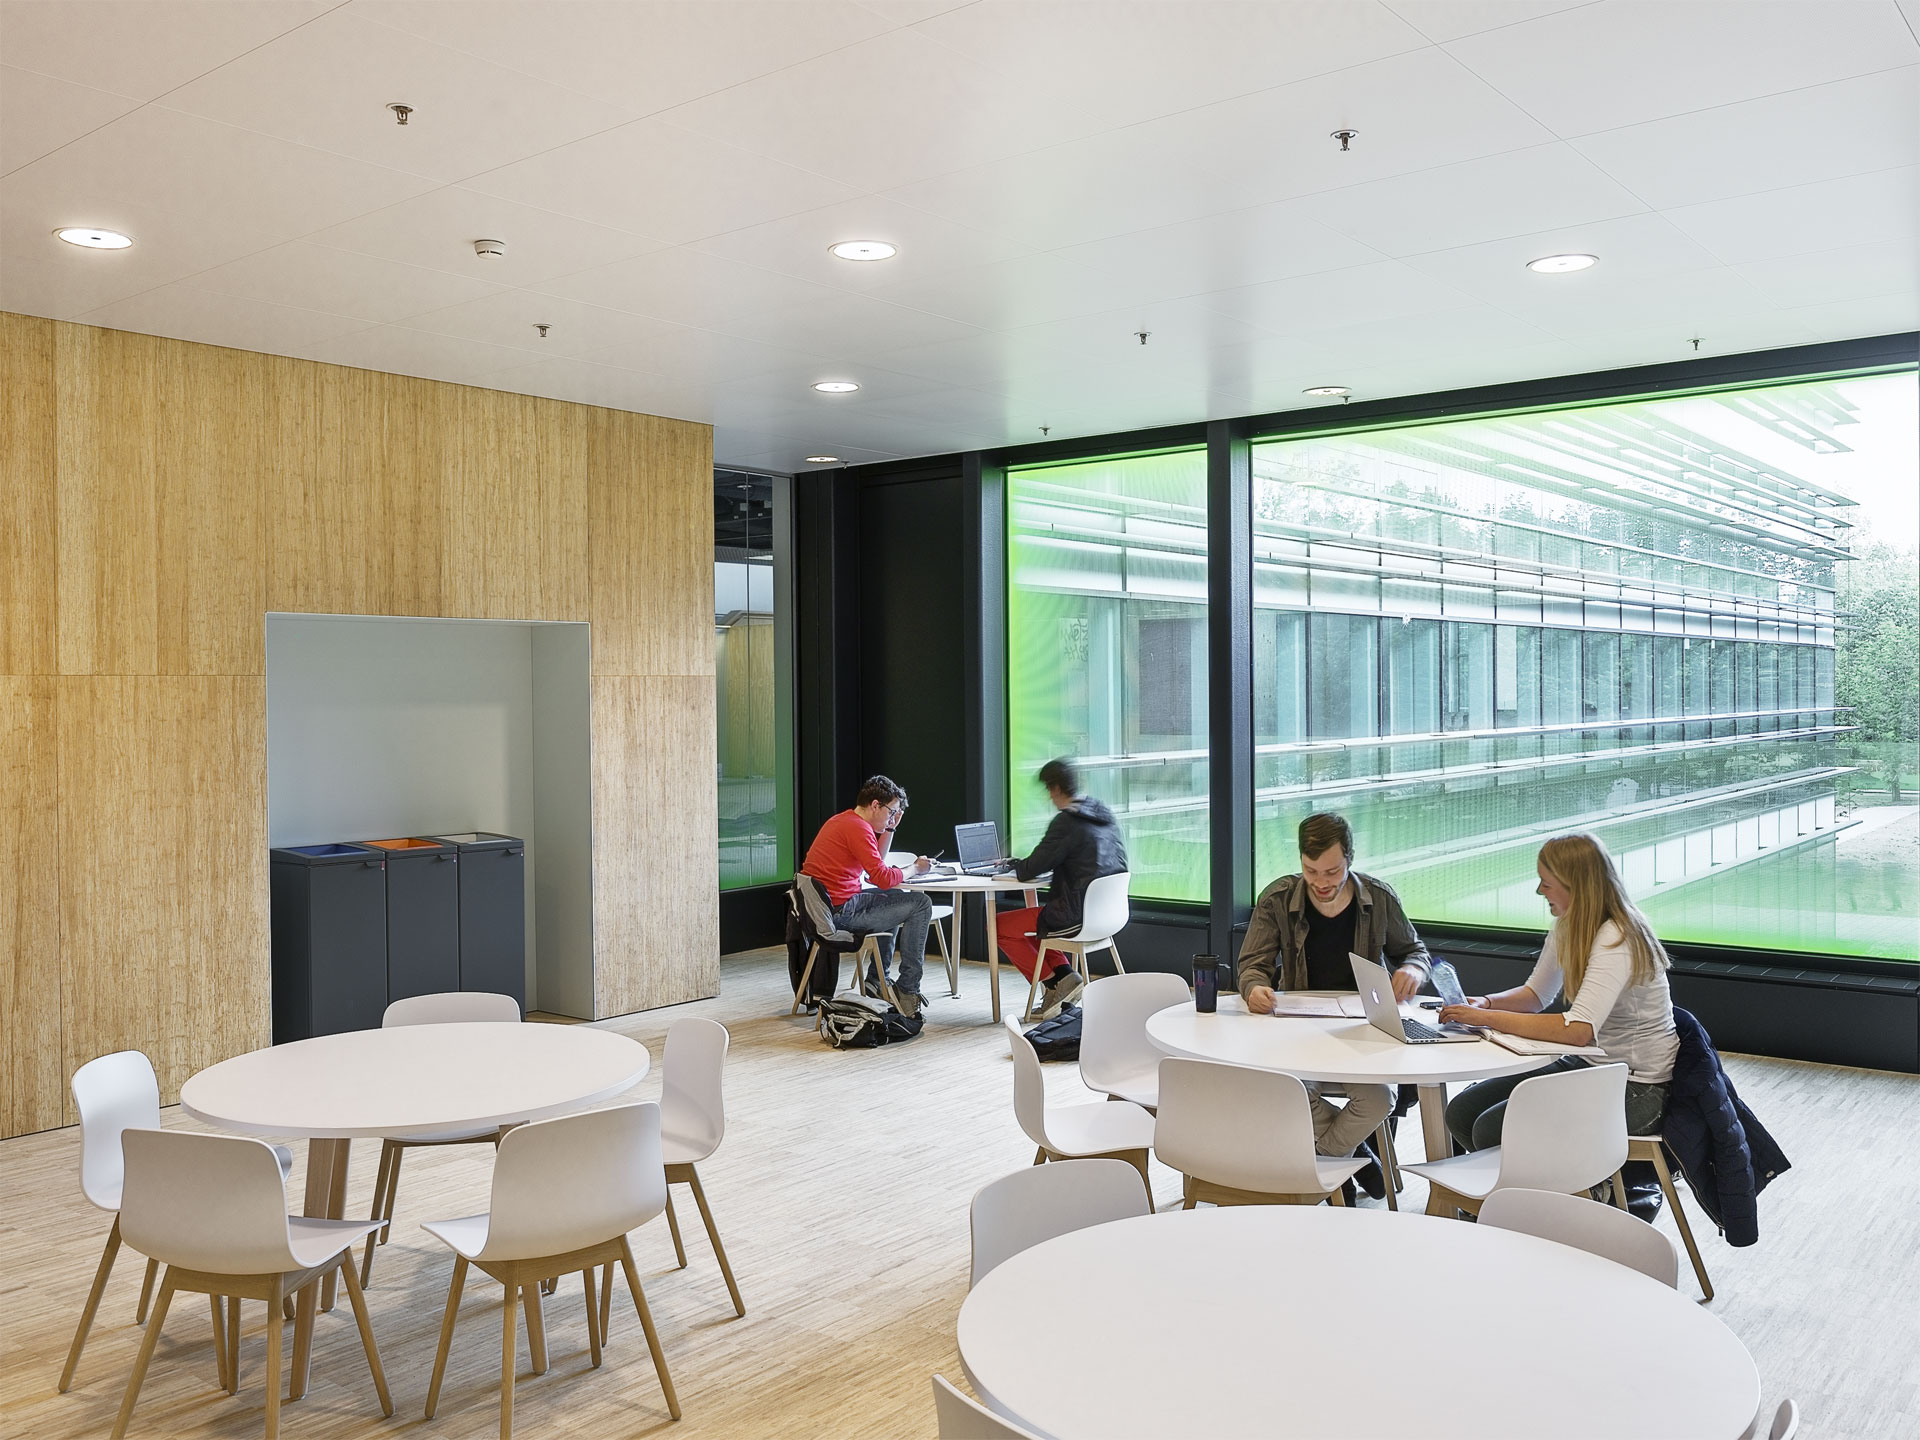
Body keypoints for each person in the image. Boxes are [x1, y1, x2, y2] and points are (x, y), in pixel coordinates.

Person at [1439, 832, 1678, 1217]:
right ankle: (1534, 1201)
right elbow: (1535, 995)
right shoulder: (1570, 923)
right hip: (1593, 1066)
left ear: (1575, 886)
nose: (1539, 891)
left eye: (1546, 883)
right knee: (1462, 1114)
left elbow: (1578, 1031)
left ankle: (1566, 1199)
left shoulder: (1618, 936)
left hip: (1639, 1088)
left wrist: (1485, 1018)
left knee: (1490, 1130)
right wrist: (1486, 1002)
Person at [1237, 813, 1432, 1191]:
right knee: (1285, 1093)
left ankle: (1334, 1165)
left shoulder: (1378, 897)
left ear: (1350, 859)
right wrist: (1254, 988)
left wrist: (1413, 969)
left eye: (1332, 871)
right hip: (1297, 1031)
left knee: (1379, 1101)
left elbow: (1415, 952)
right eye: (1311, 871)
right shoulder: (1278, 899)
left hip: (1362, 1032)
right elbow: (1252, 965)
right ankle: (1359, 1161)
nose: (1322, 882)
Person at [995, 758, 1129, 1020]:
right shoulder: (1104, 815)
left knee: (998, 927)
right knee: (1037, 923)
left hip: (1074, 915)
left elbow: (1030, 870)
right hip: (1110, 914)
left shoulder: (1067, 821)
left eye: (1048, 790)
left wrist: (1014, 863)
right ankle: (1066, 976)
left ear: (1055, 788)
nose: (1049, 797)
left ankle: (1053, 983)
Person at [800, 775, 935, 1018]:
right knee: (921, 904)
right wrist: (916, 867)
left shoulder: (844, 820)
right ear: (875, 805)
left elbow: (877, 865)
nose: (892, 817)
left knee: (894, 896)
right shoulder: (857, 828)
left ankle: (875, 981)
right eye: (891, 812)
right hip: (840, 913)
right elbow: (882, 877)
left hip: (832, 906)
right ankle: (907, 990)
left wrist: (890, 827)